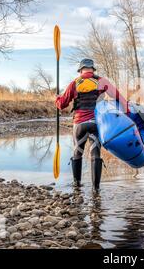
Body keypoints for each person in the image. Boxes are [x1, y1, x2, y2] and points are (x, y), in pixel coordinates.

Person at [55, 58, 129, 191]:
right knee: (95, 154)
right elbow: (118, 97)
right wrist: (127, 111)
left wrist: (57, 99)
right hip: (96, 124)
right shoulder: (101, 81)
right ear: (92, 69)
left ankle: (76, 186)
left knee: (77, 153)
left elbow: (62, 104)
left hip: (79, 124)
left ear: (81, 70)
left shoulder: (74, 83)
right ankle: (96, 189)